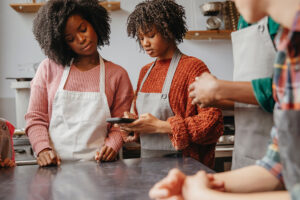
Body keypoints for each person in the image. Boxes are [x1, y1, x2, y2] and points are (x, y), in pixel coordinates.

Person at [149, 0, 300, 199]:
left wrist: (206, 195)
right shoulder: (288, 46)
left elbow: (208, 123)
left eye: (150, 35)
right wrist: (193, 185)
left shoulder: (193, 66)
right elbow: (278, 166)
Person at [25, 0, 134, 167]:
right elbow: (35, 118)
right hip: (55, 168)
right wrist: (43, 150)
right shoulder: (48, 68)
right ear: (62, 43)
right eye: (70, 39)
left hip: (101, 169)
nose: (82, 39)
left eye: (83, 29)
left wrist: (112, 145)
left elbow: (121, 124)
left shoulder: (117, 74)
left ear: (94, 22)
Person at [118, 0, 223, 169]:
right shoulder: (145, 72)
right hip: (149, 165)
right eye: (141, 38)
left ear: (170, 31)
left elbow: (212, 123)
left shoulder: (193, 67)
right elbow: (144, 123)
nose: (145, 43)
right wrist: (133, 127)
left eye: (151, 35)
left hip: (187, 165)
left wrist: (162, 126)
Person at [189, 15, 279, 170]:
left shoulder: (287, 19)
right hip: (246, 153)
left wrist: (220, 88)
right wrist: (217, 98)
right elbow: (253, 99)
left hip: (283, 156)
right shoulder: (244, 20)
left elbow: (289, 91)